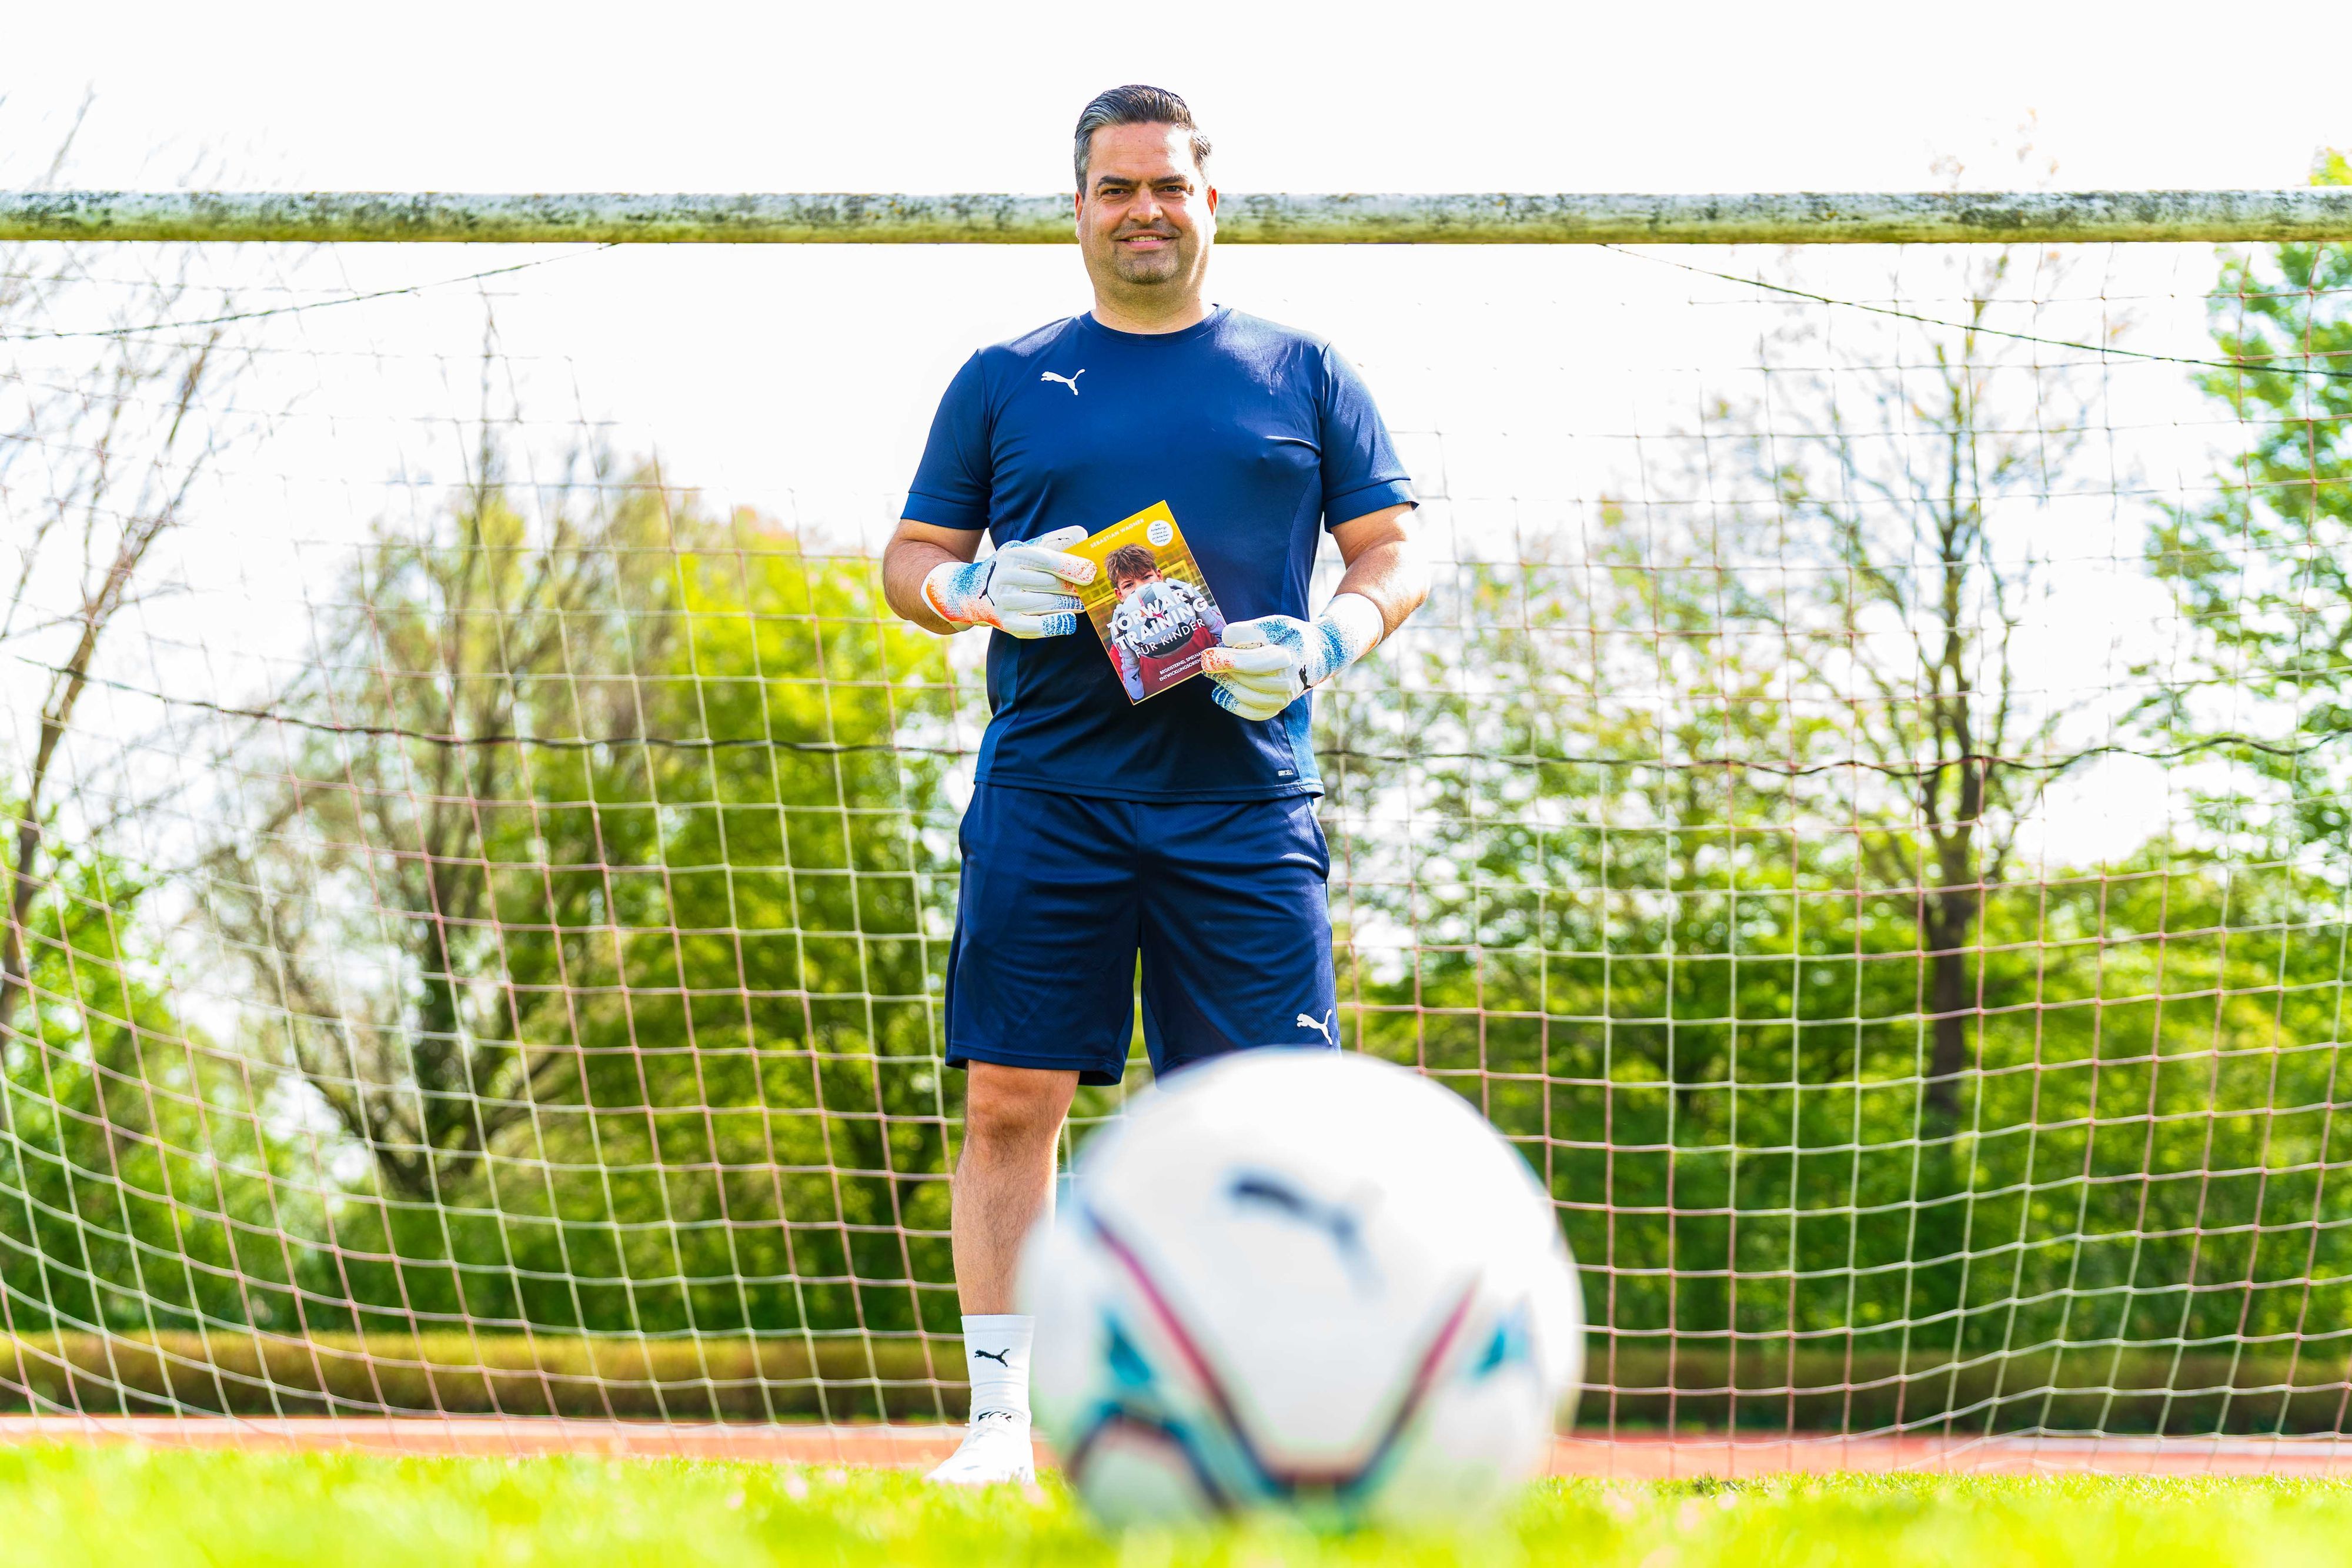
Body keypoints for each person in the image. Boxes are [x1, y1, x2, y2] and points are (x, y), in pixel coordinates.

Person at [881, 83, 1428, 1487]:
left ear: (1210, 201)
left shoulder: (1301, 371)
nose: (1143, 211)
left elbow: (1394, 553)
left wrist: (1325, 641)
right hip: (1050, 794)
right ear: (1077, 209)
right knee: (1011, 1101)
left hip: (1244, 805)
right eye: (1116, 188)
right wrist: (967, 588)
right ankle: (1002, 1424)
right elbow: (904, 560)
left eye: (1167, 187)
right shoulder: (1001, 378)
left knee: (1259, 1126)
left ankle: (1253, 1413)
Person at [1100, 543, 1224, 700]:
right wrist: (1131, 664)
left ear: (1159, 576)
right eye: (1129, 585)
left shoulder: (1198, 616)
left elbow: (1237, 653)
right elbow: (1136, 696)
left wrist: (1214, 625)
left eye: (1146, 577)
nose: (1141, 588)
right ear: (1120, 595)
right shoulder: (1121, 650)